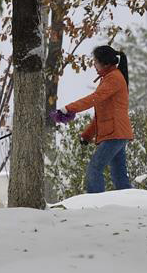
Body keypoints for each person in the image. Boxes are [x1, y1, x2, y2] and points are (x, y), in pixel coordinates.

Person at [56, 45, 133, 194]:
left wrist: (68, 108)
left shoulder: (114, 78)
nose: (94, 65)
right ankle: (130, 205)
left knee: (94, 168)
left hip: (115, 134)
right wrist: (87, 135)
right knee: (119, 177)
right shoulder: (109, 78)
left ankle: (95, 204)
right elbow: (102, 114)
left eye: (95, 62)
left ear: (105, 63)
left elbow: (94, 99)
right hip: (116, 133)